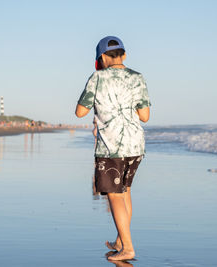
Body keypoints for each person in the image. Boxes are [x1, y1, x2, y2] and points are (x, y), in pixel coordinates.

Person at [75, 36, 150, 261]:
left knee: (114, 196)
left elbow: (80, 112)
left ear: (101, 58)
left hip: (111, 147)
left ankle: (127, 247)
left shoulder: (97, 78)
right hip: (136, 145)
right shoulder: (137, 77)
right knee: (125, 192)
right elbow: (145, 116)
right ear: (124, 55)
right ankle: (120, 239)